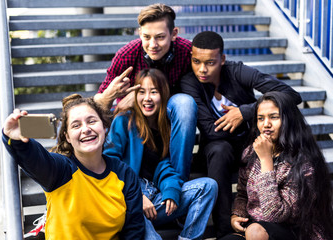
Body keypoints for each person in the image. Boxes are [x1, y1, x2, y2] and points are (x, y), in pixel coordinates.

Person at [180, 31, 302, 238]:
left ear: (222, 59)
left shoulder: (238, 72)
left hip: (253, 145)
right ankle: (225, 231)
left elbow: (291, 95)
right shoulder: (189, 83)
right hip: (217, 150)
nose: (202, 69)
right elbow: (210, 131)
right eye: (196, 61)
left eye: (210, 62)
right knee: (219, 149)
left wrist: (245, 112)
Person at [2, 95, 144, 239]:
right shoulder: (61, 170)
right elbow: (35, 159)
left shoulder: (124, 173)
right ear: (67, 136)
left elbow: (134, 230)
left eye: (92, 121)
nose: (86, 129)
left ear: (105, 127)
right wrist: (15, 139)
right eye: (76, 125)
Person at [104, 68, 218, 240]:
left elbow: (166, 167)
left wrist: (171, 190)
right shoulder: (123, 121)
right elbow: (109, 164)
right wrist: (136, 196)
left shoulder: (166, 128)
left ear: (163, 96)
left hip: (156, 200)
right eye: (142, 92)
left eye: (154, 92)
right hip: (130, 203)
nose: (147, 98)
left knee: (208, 186)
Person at [94, 3, 196, 181]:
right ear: (139, 33)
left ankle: (178, 182)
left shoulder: (187, 51)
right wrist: (112, 96)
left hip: (169, 115)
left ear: (174, 34)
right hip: (137, 120)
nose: (152, 45)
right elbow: (98, 103)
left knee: (185, 104)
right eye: (146, 37)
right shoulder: (127, 55)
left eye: (160, 37)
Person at [221, 91, 333, 240]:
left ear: (289, 120)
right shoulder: (251, 153)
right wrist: (237, 214)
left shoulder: (304, 163)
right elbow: (242, 193)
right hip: (257, 228)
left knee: (255, 231)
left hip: (296, 231)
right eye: (261, 118)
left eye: (274, 117)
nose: (266, 124)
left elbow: (275, 215)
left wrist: (266, 161)